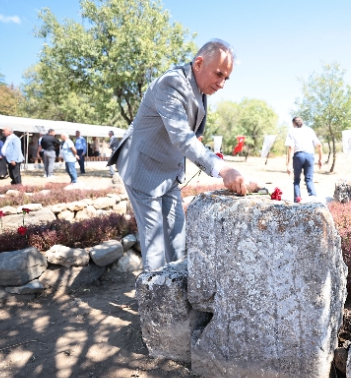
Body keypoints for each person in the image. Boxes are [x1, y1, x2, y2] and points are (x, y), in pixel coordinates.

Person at [108, 38, 258, 271]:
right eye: (218, 74)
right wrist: (223, 169)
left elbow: (192, 138)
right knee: (155, 242)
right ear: (198, 63)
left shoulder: (200, 90)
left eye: (226, 77)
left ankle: (177, 295)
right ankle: (155, 301)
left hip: (169, 172)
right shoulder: (171, 84)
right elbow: (182, 137)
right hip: (142, 169)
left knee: (178, 237)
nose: (222, 84)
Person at [285, 116, 323, 203]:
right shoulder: (309, 130)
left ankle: (297, 200)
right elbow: (319, 145)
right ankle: (314, 201)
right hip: (310, 156)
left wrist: (288, 164)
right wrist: (320, 159)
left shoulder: (292, 131)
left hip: (298, 156)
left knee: (297, 180)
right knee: (309, 179)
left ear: (294, 123)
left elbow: (291, 147)